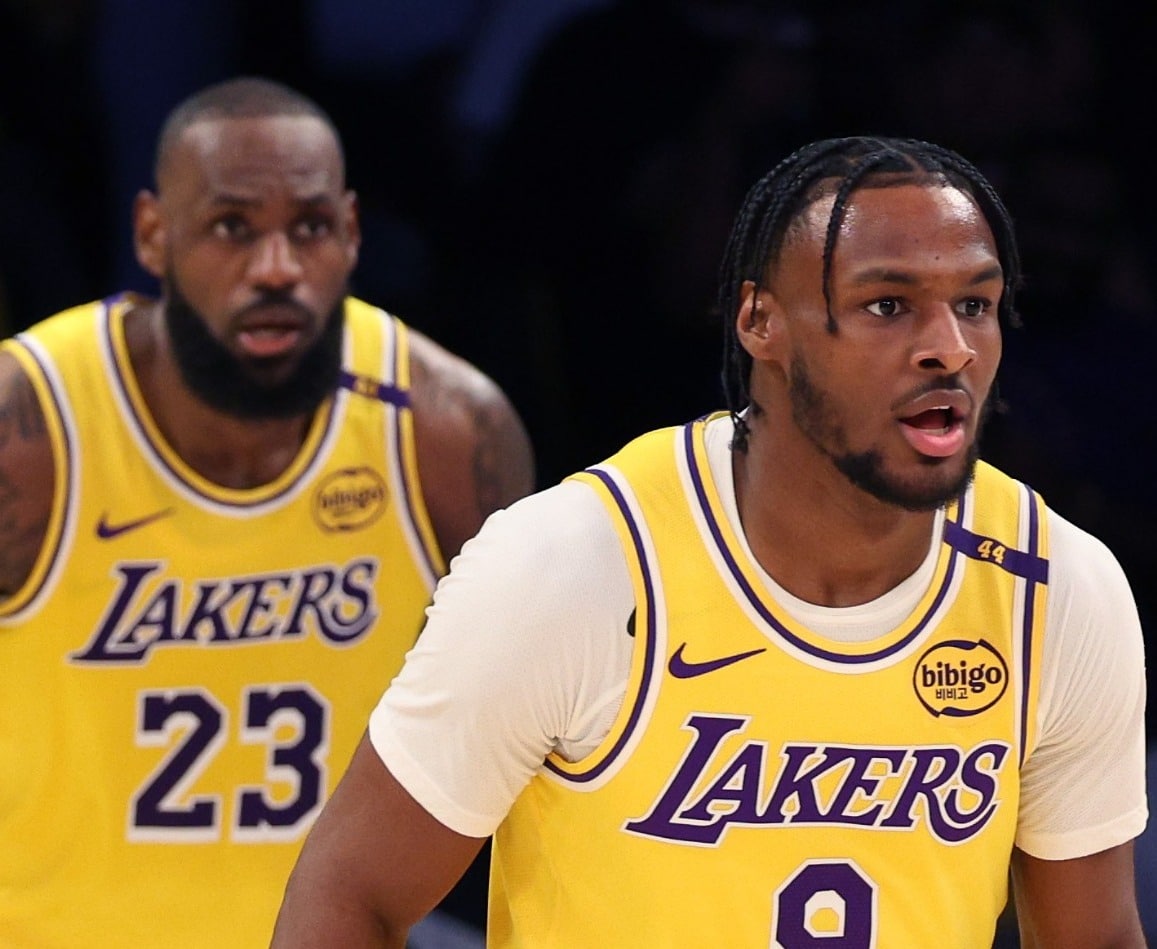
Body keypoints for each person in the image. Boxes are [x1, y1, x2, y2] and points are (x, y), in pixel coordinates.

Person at [271, 135, 1149, 947]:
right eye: (888, 304)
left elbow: (1095, 936)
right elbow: (352, 892)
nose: (949, 348)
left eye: (975, 304)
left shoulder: (1055, 586)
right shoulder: (577, 564)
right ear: (759, 322)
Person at [0, 76, 534, 947]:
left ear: (353, 233)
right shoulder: (30, 432)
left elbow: (538, 750)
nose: (277, 266)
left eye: (310, 227)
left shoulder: (445, 434)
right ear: (151, 234)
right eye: (231, 228)